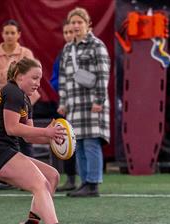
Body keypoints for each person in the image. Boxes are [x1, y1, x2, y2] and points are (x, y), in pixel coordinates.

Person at [0, 57, 88, 224]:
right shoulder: (12, 92)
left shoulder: (24, 99)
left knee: (51, 176)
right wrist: (46, 132)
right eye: (34, 78)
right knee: (40, 183)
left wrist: (53, 138)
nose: (38, 83)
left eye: (40, 79)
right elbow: (12, 128)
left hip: (4, 152)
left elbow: (28, 136)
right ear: (19, 76)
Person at [57, 7, 111, 197]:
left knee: (91, 143)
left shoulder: (97, 45)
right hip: (74, 104)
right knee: (77, 143)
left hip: (91, 103)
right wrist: (62, 102)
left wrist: (100, 100)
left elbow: (103, 74)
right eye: (74, 22)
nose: (77, 25)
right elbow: (63, 77)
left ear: (88, 25)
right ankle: (84, 182)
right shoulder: (68, 48)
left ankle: (93, 183)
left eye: (80, 22)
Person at [0, 19, 40, 190]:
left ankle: (31, 177)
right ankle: (11, 178)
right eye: (6, 32)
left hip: (24, 100)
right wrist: (13, 77)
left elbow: (31, 75)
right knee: (6, 138)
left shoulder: (26, 52)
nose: (9, 36)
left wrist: (9, 76)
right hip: (1, 101)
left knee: (26, 139)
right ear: (2, 34)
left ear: (19, 35)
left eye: (12, 32)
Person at [49, 20, 77, 192]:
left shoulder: (84, 51)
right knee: (67, 139)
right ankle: (70, 179)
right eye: (65, 32)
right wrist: (62, 86)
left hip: (82, 103)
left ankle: (89, 179)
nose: (68, 36)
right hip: (65, 103)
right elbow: (54, 79)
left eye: (70, 32)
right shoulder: (62, 54)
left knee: (83, 141)